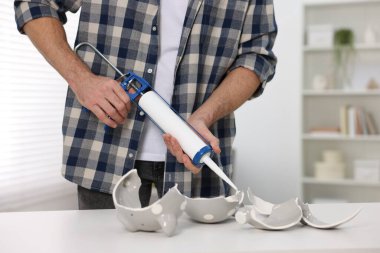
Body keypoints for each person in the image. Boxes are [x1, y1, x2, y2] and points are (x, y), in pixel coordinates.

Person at [14, 0, 277, 209]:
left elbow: (256, 57)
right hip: (102, 156)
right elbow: (34, 3)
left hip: (195, 168)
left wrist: (204, 116)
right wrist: (81, 80)